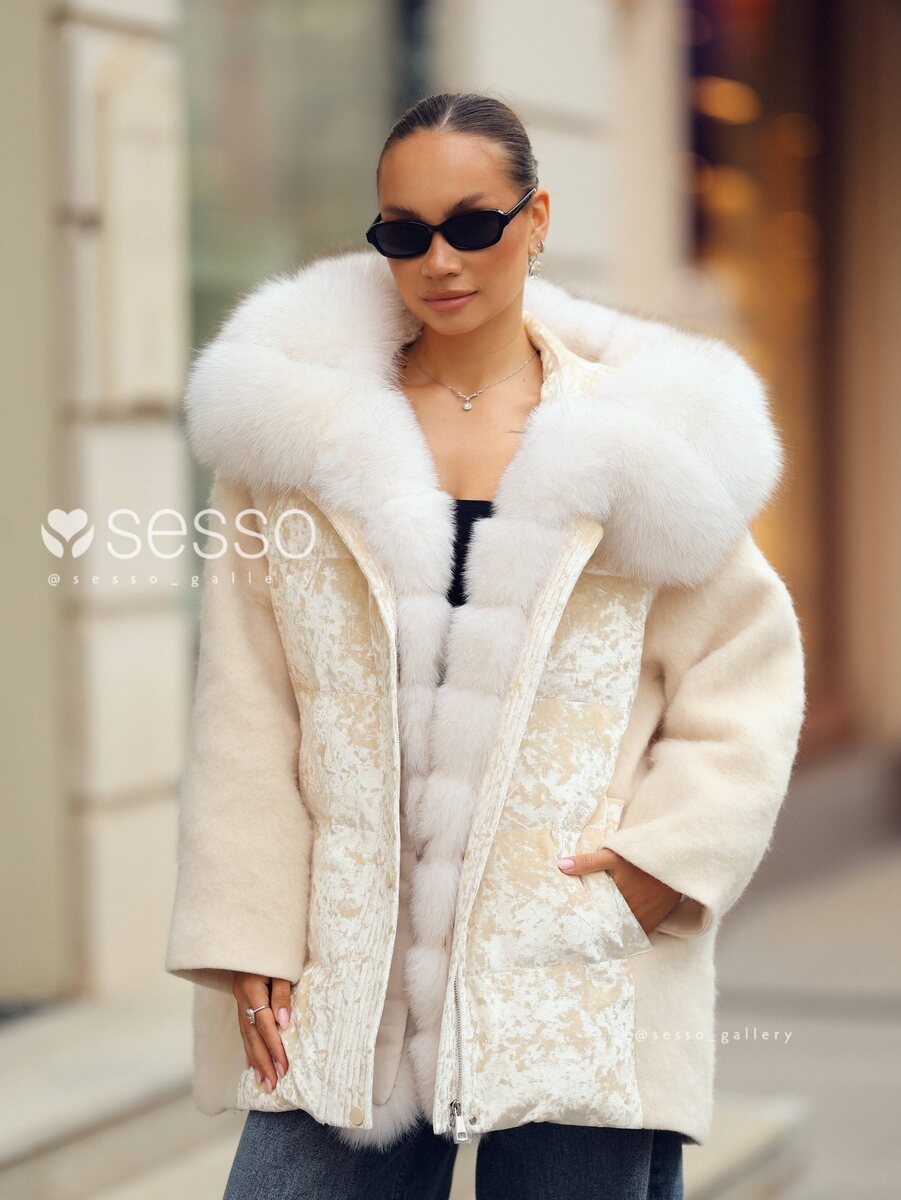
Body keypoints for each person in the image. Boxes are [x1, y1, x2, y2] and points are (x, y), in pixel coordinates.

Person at [165, 92, 807, 1200]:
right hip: (346, 951)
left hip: (566, 948)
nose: (439, 261)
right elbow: (248, 699)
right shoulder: (292, 441)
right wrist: (246, 928)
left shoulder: (641, 440)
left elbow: (744, 669)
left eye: (472, 224)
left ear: (535, 217)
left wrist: (659, 867)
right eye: (403, 233)